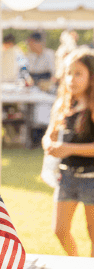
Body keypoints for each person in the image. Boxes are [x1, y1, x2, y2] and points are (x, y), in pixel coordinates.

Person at [43, 50, 94, 257]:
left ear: (91, 76)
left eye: (78, 73)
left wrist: (69, 149)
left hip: (91, 178)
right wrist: (48, 144)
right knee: (60, 230)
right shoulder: (62, 105)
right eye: (68, 73)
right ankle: (77, 265)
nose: (72, 79)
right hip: (67, 176)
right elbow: (49, 135)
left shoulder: (91, 106)